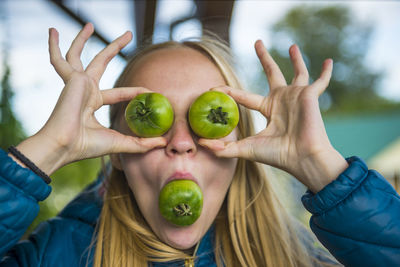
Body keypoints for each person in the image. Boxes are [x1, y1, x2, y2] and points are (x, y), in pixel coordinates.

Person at [0, 23, 399, 267]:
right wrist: (47, 148)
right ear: (117, 151)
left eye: (204, 120)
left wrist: (321, 168)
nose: (181, 143)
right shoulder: (52, 256)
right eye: (153, 120)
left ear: (244, 143)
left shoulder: (296, 258)